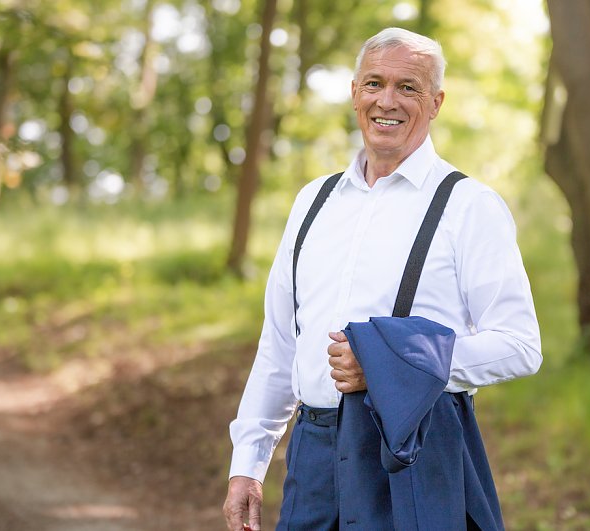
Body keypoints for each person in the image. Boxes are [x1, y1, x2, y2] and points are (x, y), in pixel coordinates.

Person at [222, 27, 542, 531]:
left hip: (414, 454)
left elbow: (520, 345)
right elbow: (280, 344)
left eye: (408, 87)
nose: (386, 100)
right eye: (373, 84)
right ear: (354, 94)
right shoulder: (313, 202)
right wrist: (249, 463)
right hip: (314, 456)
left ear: (435, 102)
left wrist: (391, 366)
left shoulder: (469, 206)